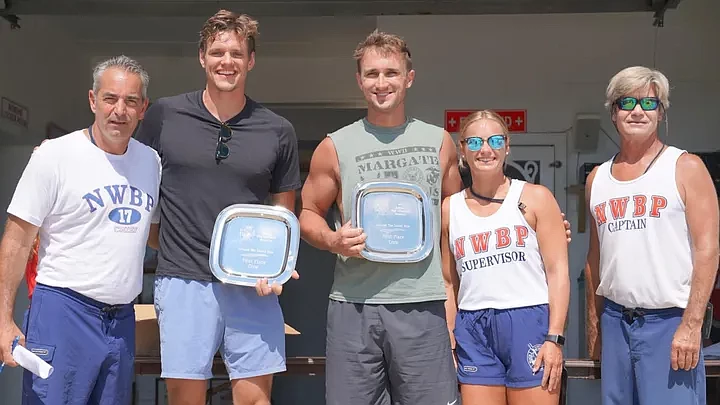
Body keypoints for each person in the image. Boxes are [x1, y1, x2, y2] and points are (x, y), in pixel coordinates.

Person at [299, 31, 572, 405]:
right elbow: (308, 213)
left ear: (409, 78)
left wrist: (544, 231)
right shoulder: (334, 146)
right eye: (372, 74)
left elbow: (460, 213)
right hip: (354, 303)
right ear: (359, 80)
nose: (382, 83)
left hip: (423, 304)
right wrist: (331, 240)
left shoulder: (439, 141)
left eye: (391, 73)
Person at [133, 9, 301, 405]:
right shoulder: (164, 115)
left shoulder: (277, 129)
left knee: (255, 400)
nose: (227, 61)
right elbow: (131, 174)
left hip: (252, 288)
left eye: (237, 54)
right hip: (182, 282)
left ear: (251, 60)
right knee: (185, 399)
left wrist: (275, 269)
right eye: (218, 52)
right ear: (202, 57)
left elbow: (284, 214)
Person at [0, 55, 160, 404]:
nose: (120, 110)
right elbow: (16, 239)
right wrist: (3, 320)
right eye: (110, 98)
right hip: (63, 312)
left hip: (120, 320)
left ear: (143, 108)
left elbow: (155, 233)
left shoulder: (151, 162)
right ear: (92, 100)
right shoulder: (54, 157)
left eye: (131, 101)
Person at [584, 66, 719, 405]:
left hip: (669, 322)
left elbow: (708, 250)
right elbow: (595, 258)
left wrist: (691, 325)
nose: (638, 111)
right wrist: (594, 324)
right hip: (615, 321)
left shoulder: (685, 167)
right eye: (627, 101)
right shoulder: (597, 178)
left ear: (661, 112)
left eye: (649, 102)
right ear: (613, 112)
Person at [441, 110, 570, 405]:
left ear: (507, 146)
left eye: (495, 140)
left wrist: (555, 337)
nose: (485, 149)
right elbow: (448, 282)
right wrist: (450, 338)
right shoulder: (450, 209)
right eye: (474, 142)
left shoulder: (536, 198)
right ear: (462, 149)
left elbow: (558, 271)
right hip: (473, 325)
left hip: (528, 319)